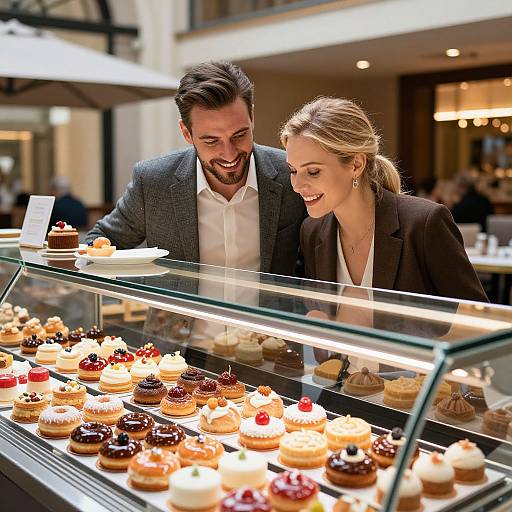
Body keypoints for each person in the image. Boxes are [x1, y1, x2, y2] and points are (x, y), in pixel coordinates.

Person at [88, 61, 306, 276]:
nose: (229, 153)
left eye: (239, 135)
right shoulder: (153, 181)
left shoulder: (292, 174)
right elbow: (100, 241)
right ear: (186, 133)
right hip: (175, 314)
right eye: (211, 141)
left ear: (252, 118)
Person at [281, 97, 488, 302]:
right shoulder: (312, 231)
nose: (297, 186)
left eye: (313, 171)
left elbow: (477, 320)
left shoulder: (424, 224)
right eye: (293, 170)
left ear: (356, 165)